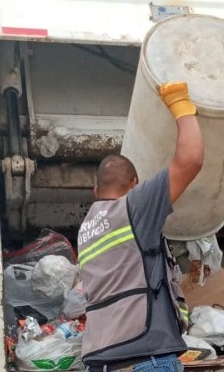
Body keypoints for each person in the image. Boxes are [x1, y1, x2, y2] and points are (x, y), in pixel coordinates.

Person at [77, 81, 204, 372]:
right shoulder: (135, 206)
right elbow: (191, 159)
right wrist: (180, 102)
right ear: (135, 184)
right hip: (143, 357)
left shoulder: (87, 229)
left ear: (96, 191)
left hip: (100, 360)